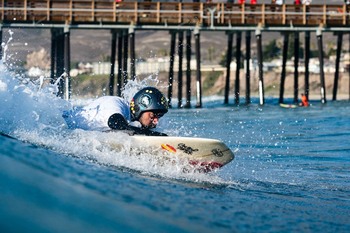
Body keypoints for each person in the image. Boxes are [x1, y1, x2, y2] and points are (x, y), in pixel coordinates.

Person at [63, 87, 169, 136]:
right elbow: (116, 124)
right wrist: (154, 135)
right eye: (153, 116)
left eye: (159, 116)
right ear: (139, 108)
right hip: (61, 123)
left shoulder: (135, 121)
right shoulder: (115, 103)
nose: (156, 121)